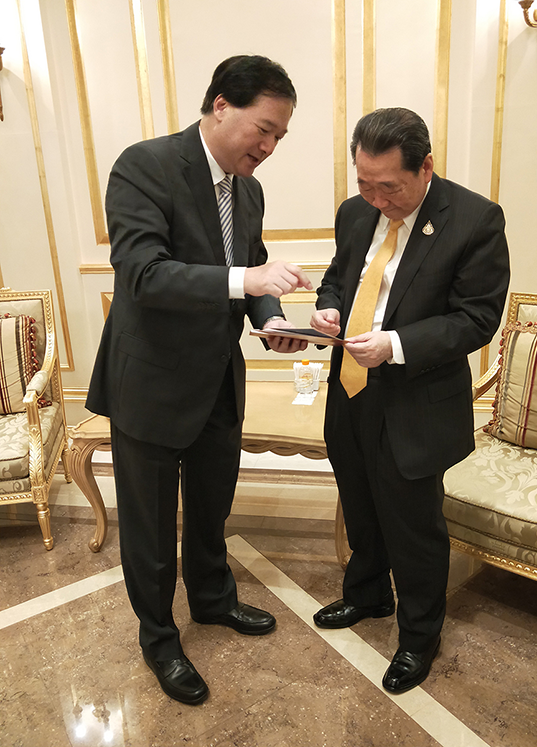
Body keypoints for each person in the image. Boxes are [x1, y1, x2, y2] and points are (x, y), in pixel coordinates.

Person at [86, 55, 312, 705]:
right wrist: (248, 281)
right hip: (151, 385)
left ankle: (213, 600)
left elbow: (254, 269)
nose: (269, 148)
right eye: (263, 129)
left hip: (217, 379)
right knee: (152, 528)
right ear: (220, 106)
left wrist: (271, 320)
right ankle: (159, 638)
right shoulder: (145, 166)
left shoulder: (249, 190)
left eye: (280, 137)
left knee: (212, 507)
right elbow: (143, 273)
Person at [310, 107, 510, 693]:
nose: (376, 200)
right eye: (364, 184)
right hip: (350, 387)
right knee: (360, 503)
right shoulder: (355, 213)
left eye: (389, 188)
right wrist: (328, 308)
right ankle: (368, 594)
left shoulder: (474, 219)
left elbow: (476, 319)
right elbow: (339, 276)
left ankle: (420, 635)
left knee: (413, 525)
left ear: (425, 168)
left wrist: (396, 345)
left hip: (415, 399)